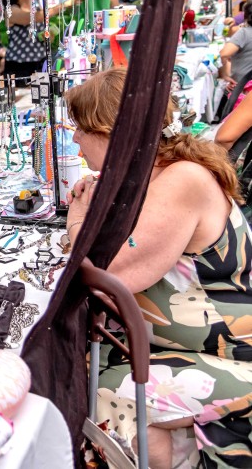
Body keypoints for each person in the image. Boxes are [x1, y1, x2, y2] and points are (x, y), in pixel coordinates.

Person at [64, 68, 252, 469]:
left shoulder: (181, 179)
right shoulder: (157, 173)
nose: (75, 137)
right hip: (200, 346)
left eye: (81, 127)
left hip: (239, 356)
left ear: (112, 132)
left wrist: (76, 220)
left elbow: (111, 277)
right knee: (90, 366)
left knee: (94, 386)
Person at [5, 0, 78, 82]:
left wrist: (47, 36)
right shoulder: (11, 10)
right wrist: (65, 4)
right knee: (23, 97)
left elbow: (40, 23)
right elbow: (33, 17)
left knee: (41, 95)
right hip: (19, 64)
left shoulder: (38, 8)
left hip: (40, 62)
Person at [218, 0, 252, 93]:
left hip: (243, 87)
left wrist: (225, 76)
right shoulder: (243, 30)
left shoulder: (244, 32)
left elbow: (223, 55)